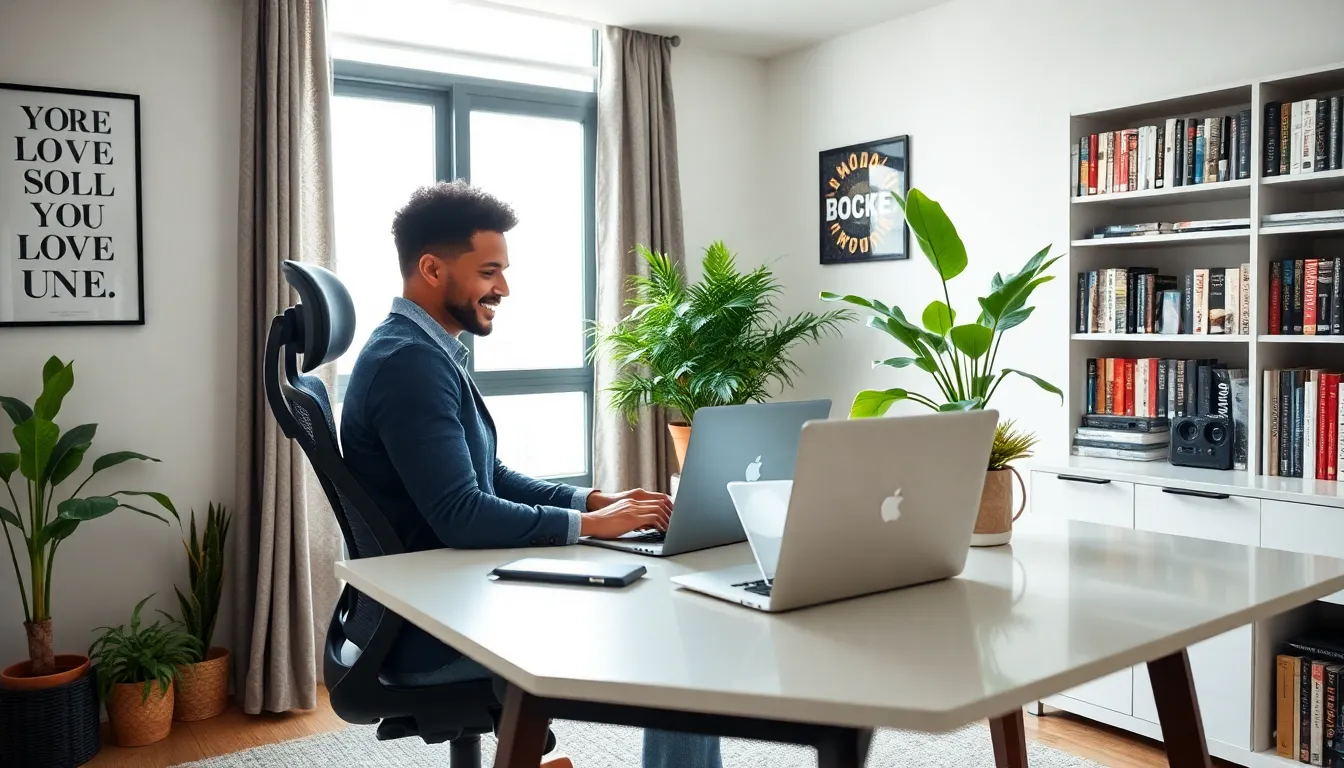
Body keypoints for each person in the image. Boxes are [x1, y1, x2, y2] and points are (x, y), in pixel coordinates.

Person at [339, 180, 722, 768]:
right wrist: (593, 528)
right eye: (489, 271)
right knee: (676, 630)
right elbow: (463, 514)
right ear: (432, 269)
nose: (504, 288)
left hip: (448, 593)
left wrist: (594, 501)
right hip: (438, 624)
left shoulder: (423, 350)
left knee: (654, 596)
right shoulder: (409, 364)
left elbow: (488, 473)